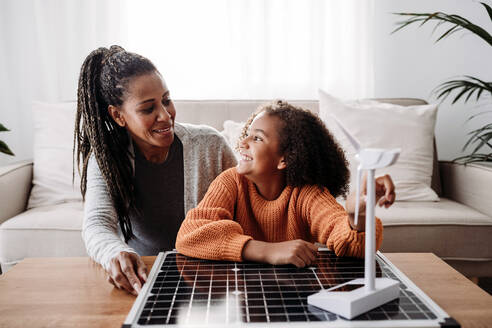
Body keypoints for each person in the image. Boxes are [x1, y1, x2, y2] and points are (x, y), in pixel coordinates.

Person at [75, 45, 237, 295]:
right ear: (118, 115)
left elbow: (248, 206)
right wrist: (115, 253)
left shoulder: (211, 145)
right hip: (145, 280)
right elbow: (97, 223)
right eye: (148, 109)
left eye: (167, 100)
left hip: (211, 276)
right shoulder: (108, 158)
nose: (165, 115)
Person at [176, 100, 395, 267]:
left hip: (297, 296)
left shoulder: (307, 194)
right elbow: (188, 235)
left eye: (257, 138)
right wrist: (267, 251)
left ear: (285, 159)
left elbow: (350, 243)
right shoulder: (230, 181)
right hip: (240, 294)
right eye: (247, 134)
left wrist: (357, 215)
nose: (242, 142)